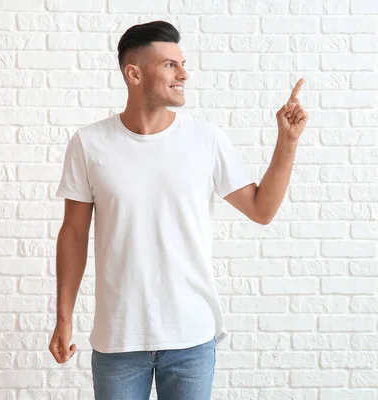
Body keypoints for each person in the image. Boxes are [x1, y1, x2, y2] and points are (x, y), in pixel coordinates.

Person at [47, 20, 308, 400]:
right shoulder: (89, 144)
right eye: (170, 65)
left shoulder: (206, 139)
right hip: (118, 338)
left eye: (182, 63)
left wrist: (287, 141)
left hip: (191, 339)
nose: (184, 73)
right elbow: (72, 233)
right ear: (133, 73)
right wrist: (64, 318)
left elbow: (261, 209)